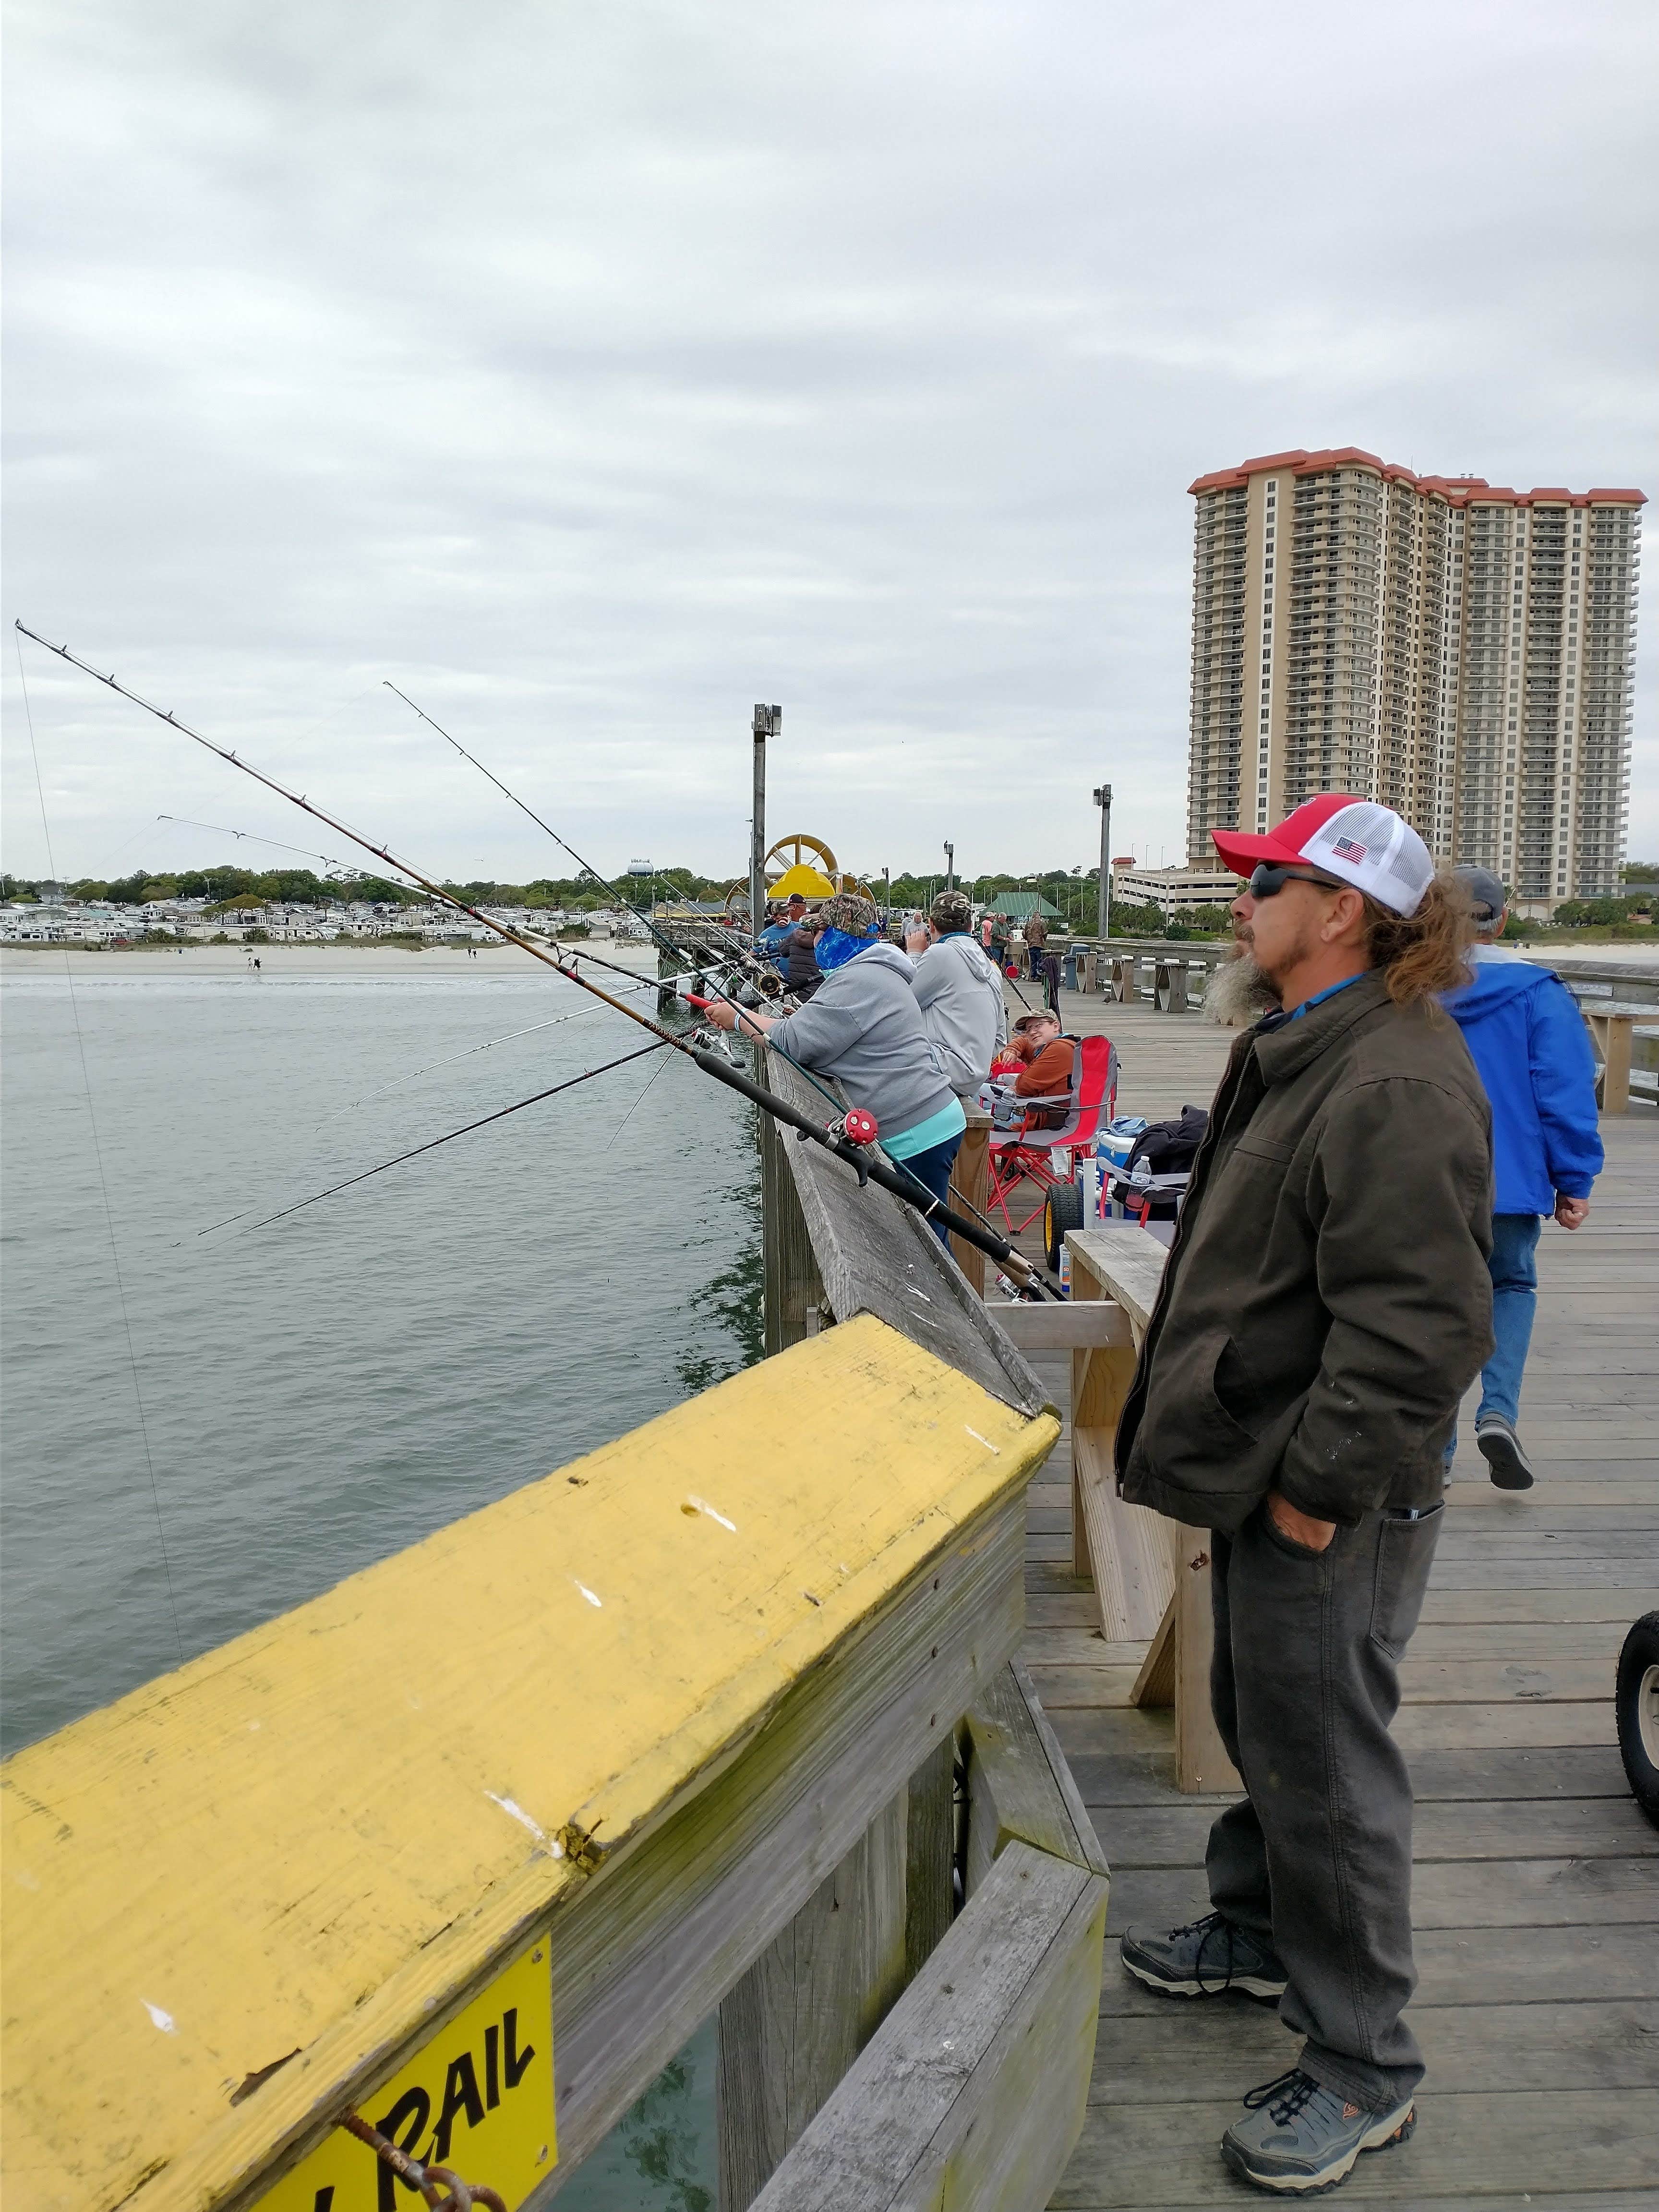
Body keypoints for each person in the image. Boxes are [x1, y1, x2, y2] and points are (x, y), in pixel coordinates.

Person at [1115, 795, 1492, 2197]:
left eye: (1265, 880)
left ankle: (1361, 2062)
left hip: (1329, 1490)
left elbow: (1422, 1325)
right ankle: (1261, 1926)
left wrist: (1316, 1494)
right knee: (1258, 1716)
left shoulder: (1394, 1080)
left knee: (1326, 1760)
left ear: (1341, 909)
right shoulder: (1301, 1047)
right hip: (1265, 1464)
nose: (1239, 900)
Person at [1441, 864, 1602, 1489]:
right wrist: (1575, 1179)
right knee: (1510, 1285)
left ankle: (1439, 1453)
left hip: (1425, 1178)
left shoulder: (1409, 988)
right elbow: (1564, 1091)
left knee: (1434, 1304)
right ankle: (1499, 1412)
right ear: (1502, 919)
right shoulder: (1540, 992)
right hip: (1510, 1183)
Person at [704, 892, 965, 1235]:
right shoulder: (876, 973)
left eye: (822, 932)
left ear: (843, 935)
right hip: (929, 1118)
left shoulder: (860, 980)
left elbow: (793, 1043)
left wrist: (737, 1018)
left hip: (914, 1130)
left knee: (925, 1244)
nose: (816, 941)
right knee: (929, 1230)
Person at [903, 889, 1007, 1097]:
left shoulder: (940, 954)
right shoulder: (992, 969)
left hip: (943, 1069)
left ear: (931, 925)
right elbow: (1000, 1039)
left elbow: (904, 1004)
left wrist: (914, 954)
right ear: (970, 926)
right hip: (975, 1076)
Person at [992, 1009, 1074, 1128]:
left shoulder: (1058, 1048)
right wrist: (1013, 1049)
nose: (1032, 1032)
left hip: (1040, 1122)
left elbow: (1023, 1086)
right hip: (1051, 1115)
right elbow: (1024, 1041)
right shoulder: (1063, 1045)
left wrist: (1018, 1087)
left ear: (1056, 1026)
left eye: (1038, 1026)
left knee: (973, 1108)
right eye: (1029, 1029)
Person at [757, 895, 806, 971]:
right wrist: (745, 958)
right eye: (783, 914)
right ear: (774, 917)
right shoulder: (766, 934)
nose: (786, 916)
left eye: (788, 913)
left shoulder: (800, 927)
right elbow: (754, 951)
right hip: (778, 977)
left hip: (799, 973)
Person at [781, 912, 822, 1000]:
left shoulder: (795, 935)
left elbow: (782, 951)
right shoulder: (825, 941)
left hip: (797, 990)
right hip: (820, 992)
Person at [1024, 909, 1047, 978]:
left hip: (1031, 945)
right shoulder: (1042, 922)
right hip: (1040, 945)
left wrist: (1029, 940)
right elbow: (1045, 933)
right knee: (1040, 961)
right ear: (1039, 916)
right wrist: (1045, 940)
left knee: (1033, 961)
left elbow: (1024, 934)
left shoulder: (1028, 923)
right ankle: (1039, 975)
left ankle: (1033, 975)